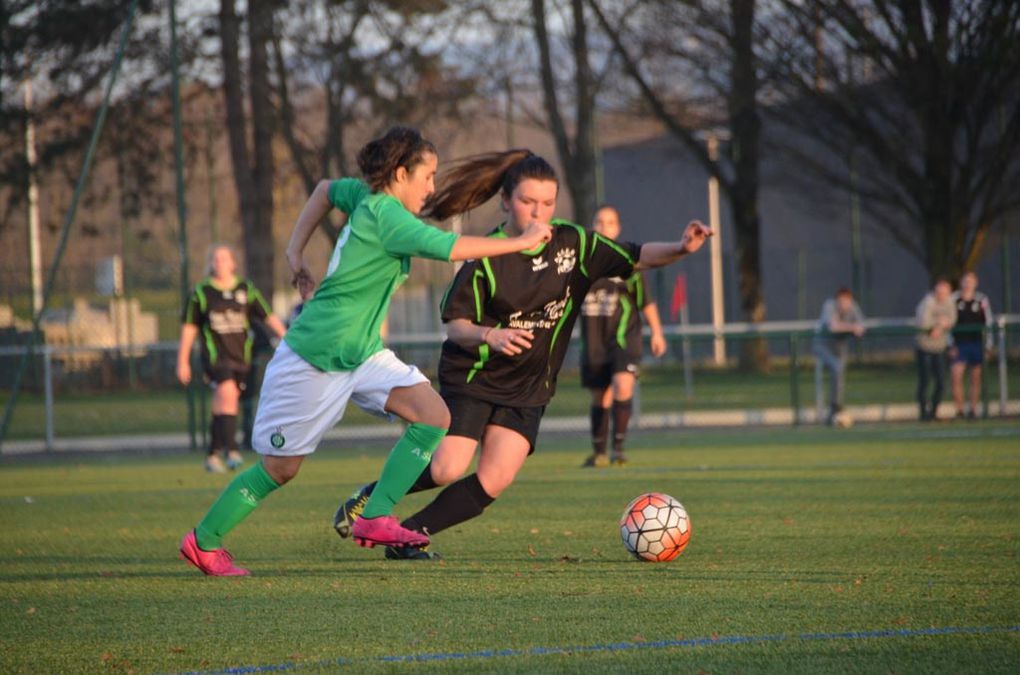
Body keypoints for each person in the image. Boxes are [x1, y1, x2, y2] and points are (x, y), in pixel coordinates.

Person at [178, 127, 552, 576]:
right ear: (400, 173)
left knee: (433, 416)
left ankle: (374, 516)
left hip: (362, 353)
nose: (432, 188)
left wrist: (296, 252)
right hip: (317, 356)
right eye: (427, 176)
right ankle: (204, 541)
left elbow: (323, 191)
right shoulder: (388, 218)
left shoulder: (365, 197)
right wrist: (520, 242)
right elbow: (453, 248)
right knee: (280, 469)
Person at [332, 149, 711, 560]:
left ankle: (409, 533)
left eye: (547, 203)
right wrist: (490, 335)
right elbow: (456, 326)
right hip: (474, 375)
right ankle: (372, 498)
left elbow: (635, 256)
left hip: (529, 386)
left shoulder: (575, 243)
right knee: (446, 468)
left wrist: (682, 247)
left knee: (495, 478)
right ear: (506, 201)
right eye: (528, 202)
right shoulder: (486, 255)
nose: (538, 211)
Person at [177, 245, 287, 473]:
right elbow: (189, 328)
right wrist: (183, 360)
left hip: (241, 357)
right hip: (216, 358)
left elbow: (267, 316)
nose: (220, 263)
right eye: (215, 259)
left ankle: (212, 454)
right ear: (210, 264)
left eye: (224, 259)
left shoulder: (245, 289)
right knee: (227, 396)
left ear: (232, 263)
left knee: (224, 404)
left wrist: (288, 339)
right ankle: (233, 450)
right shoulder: (201, 293)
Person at [579, 204, 666, 467]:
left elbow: (646, 302)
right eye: (599, 221)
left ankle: (618, 450)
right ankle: (599, 452)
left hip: (624, 339)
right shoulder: (581, 264)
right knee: (600, 396)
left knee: (622, 385)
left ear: (618, 228)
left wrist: (657, 333)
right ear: (592, 226)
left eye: (610, 222)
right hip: (593, 341)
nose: (604, 227)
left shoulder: (627, 263)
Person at [812, 287, 865, 426]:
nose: (844, 305)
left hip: (840, 347)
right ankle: (835, 407)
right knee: (837, 367)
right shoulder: (829, 305)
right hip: (823, 346)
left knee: (839, 371)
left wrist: (855, 327)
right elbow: (833, 327)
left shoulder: (853, 307)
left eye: (847, 301)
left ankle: (835, 409)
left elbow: (861, 325)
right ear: (837, 300)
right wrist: (852, 327)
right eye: (841, 301)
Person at [950, 272, 993, 420]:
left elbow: (987, 323)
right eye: (965, 281)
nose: (968, 284)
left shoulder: (981, 300)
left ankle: (973, 410)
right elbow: (950, 323)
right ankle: (959, 411)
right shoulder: (954, 299)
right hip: (960, 344)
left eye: (971, 281)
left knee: (975, 378)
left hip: (977, 344)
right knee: (956, 376)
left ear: (976, 283)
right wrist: (951, 345)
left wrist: (988, 345)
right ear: (961, 282)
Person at [914, 278, 957, 421]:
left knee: (941, 383)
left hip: (939, 348)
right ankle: (923, 413)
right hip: (924, 347)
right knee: (925, 382)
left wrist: (939, 326)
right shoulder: (927, 302)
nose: (942, 295)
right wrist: (940, 323)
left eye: (945, 292)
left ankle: (933, 412)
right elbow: (924, 322)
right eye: (939, 292)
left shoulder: (950, 303)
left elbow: (952, 319)